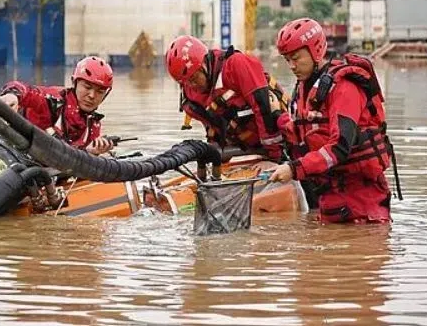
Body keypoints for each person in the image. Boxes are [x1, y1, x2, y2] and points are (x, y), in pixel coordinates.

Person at [268, 18, 399, 223]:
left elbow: (339, 147)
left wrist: (294, 169)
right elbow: (301, 133)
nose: (292, 66)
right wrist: (278, 118)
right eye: (287, 60)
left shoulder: (344, 87)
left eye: (296, 58)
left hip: (362, 205)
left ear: (315, 51)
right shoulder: (304, 89)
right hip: (330, 200)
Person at [165, 35, 289, 161]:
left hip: (279, 142)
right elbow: (213, 128)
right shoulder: (191, 94)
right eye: (186, 82)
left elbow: (263, 107)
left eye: (194, 79)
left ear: (204, 64)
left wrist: (274, 157)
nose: (192, 86)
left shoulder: (236, 65)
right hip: (240, 148)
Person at [0, 56, 115, 156]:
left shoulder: (93, 125)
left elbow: (73, 160)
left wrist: (91, 153)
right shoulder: (53, 101)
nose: (92, 96)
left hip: (46, 173)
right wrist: (13, 95)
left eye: (100, 92)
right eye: (87, 87)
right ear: (74, 83)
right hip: (13, 157)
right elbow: (25, 90)